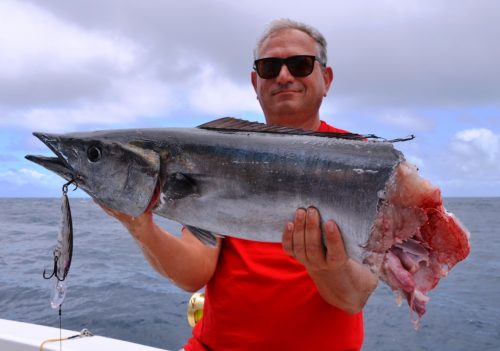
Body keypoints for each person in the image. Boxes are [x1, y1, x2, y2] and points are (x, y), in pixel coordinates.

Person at [102, 19, 378, 351]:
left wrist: (325, 267)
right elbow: (194, 271)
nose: (284, 76)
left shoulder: (363, 162)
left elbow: (354, 296)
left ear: (326, 78)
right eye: (269, 67)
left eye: (300, 64)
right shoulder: (215, 151)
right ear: (255, 81)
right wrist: (139, 223)